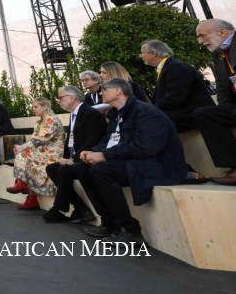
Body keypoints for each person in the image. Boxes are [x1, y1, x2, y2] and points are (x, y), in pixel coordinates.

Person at [75, 78, 186, 243]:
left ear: (118, 90)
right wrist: (93, 152)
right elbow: (109, 141)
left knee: (101, 170)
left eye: (104, 89)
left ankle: (130, 229)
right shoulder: (115, 115)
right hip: (133, 161)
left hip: (156, 165)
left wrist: (105, 155)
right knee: (81, 168)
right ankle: (109, 222)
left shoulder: (145, 112)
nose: (100, 92)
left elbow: (145, 147)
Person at [43, 86, 106, 223]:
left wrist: (73, 159)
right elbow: (71, 140)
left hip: (87, 157)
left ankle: (60, 208)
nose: (59, 101)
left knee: (64, 170)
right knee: (52, 168)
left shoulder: (90, 113)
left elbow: (93, 140)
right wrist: (66, 158)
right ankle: (80, 208)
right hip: (75, 158)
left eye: (61, 98)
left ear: (72, 98)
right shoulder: (73, 114)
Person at [193, 19, 236, 185]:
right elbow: (222, 86)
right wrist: (225, 110)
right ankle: (233, 165)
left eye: (202, 35)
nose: (200, 41)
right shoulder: (218, 52)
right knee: (203, 114)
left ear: (222, 32)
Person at [140, 40, 214, 132]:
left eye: (142, 52)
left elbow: (176, 97)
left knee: (148, 123)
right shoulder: (170, 66)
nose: (141, 56)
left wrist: (153, 110)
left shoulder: (176, 67)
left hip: (192, 115)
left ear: (153, 53)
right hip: (184, 113)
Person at [6, 97, 65, 210]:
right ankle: (30, 196)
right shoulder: (39, 123)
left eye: (36, 107)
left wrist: (22, 147)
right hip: (41, 153)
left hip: (51, 155)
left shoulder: (52, 120)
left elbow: (40, 139)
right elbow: (33, 141)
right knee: (24, 156)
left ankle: (23, 185)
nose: (34, 109)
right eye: (33, 107)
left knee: (23, 155)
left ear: (45, 107)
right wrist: (21, 148)